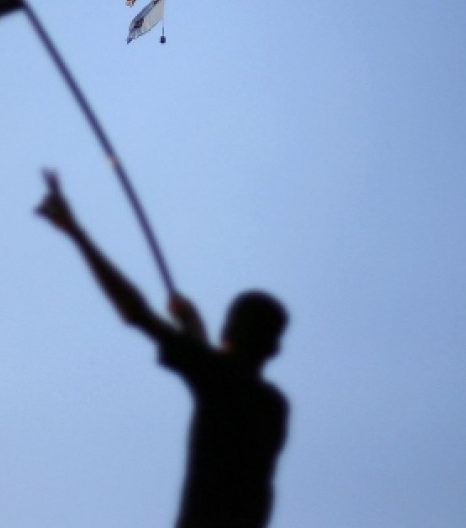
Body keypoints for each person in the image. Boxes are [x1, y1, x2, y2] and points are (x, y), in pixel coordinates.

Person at [36, 171, 289, 528]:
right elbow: (216, 372)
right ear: (274, 348)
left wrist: (77, 233)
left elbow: (135, 312)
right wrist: (193, 331)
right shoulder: (271, 406)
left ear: (229, 332)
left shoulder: (224, 380)